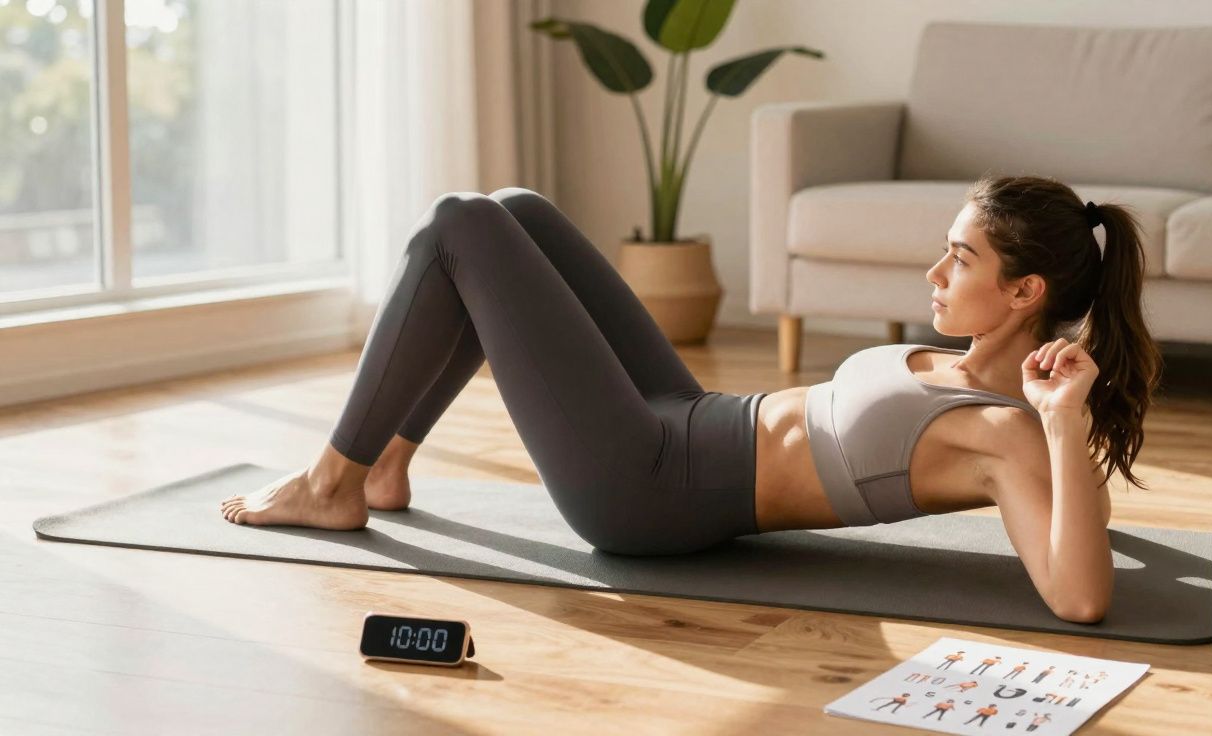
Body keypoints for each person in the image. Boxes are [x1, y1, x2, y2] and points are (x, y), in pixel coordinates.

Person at [219, 176, 1162, 619]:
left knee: (459, 228)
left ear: (1026, 292)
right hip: (688, 412)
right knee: (515, 213)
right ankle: (386, 458)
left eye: (960, 260)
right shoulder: (975, 376)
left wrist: (1064, 419)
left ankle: (334, 478)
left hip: (650, 489)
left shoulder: (1008, 434)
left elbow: (1080, 594)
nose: (934, 271)